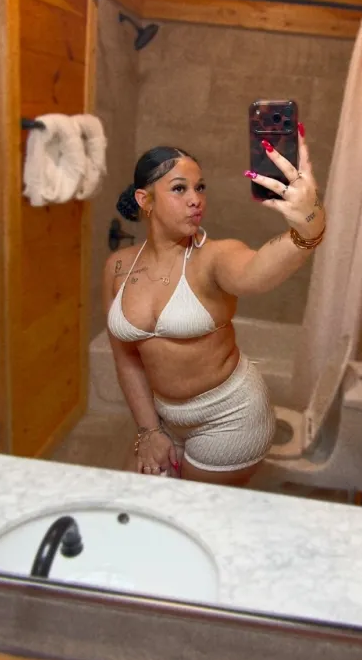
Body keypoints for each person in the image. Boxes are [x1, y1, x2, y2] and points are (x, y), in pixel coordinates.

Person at [103, 123, 325, 487]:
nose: (196, 199)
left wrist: (309, 222)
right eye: (180, 188)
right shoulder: (117, 267)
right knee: (131, 497)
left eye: (200, 187)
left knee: (194, 513)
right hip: (165, 417)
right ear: (145, 199)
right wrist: (149, 431)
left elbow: (257, 272)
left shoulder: (214, 257)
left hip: (231, 417)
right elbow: (125, 357)